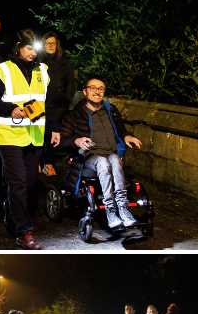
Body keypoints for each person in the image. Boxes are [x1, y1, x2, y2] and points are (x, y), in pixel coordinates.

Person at [0, 29, 62, 250]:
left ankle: (12, 210)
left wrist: (55, 128)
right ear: (18, 48)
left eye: (34, 48)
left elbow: (51, 103)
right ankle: (24, 232)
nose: (32, 53)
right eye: (28, 48)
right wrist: (11, 110)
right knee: (18, 182)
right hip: (9, 134)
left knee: (30, 182)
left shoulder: (43, 71)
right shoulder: (3, 70)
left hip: (34, 135)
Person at [59, 77, 143, 230]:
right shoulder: (74, 114)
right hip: (87, 158)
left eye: (101, 88)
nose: (97, 91)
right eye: (93, 88)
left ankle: (123, 208)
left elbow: (121, 130)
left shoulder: (110, 110)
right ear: (85, 91)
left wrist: (127, 137)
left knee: (115, 159)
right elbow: (63, 139)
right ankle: (110, 210)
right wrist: (75, 140)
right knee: (103, 162)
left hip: (110, 155)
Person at [39, 32, 76, 157]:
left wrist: (65, 100)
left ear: (57, 45)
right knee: (38, 134)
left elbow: (70, 85)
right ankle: (37, 162)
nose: (50, 45)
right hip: (40, 104)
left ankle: (48, 161)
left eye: (53, 43)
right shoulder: (37, 62)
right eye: (47, 43)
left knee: (53, 135)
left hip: (58, 106)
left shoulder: (65, 63)